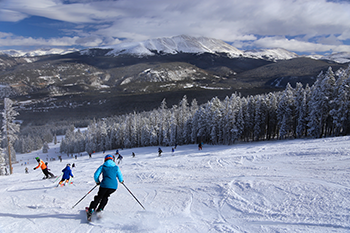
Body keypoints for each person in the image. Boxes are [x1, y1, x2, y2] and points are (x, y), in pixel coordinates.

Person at [86, 154, 124, 220]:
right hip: (113, 187)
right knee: (105, 196)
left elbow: (96, 175)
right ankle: (100, 209)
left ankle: (91, 209)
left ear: (105, 160)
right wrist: (121, 181)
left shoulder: (103, 166)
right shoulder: (116, 167)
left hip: (104, 185)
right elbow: (120, 175)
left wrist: (97, 181)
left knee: (99, 197)